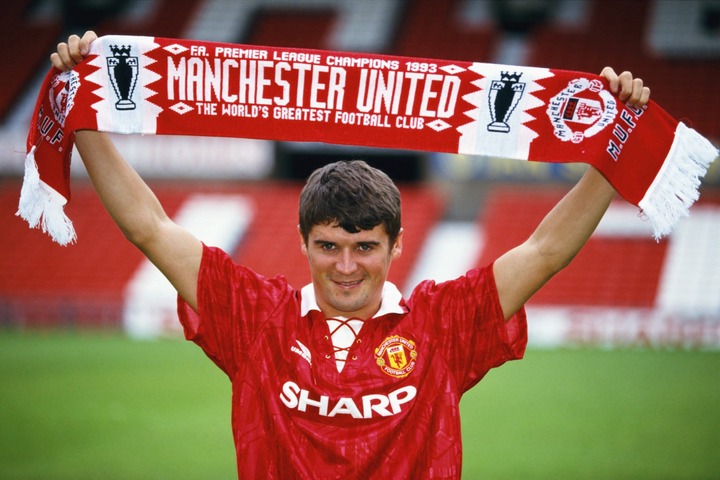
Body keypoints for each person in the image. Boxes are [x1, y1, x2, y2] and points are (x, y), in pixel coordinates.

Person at [51, 31, 650, 479]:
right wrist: (84, 122)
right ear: (303, 242)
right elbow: (151, 229)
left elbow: (544, 251)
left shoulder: (441, 324)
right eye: (329, 246)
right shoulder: (256, 317)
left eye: (365, 247)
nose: (345, 266)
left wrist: (616, 148)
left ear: (395, 246)